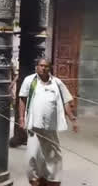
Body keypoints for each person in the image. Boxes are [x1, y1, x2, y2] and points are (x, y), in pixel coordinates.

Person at [18, 57, 79, 186]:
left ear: (50, 68)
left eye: (46, 66)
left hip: (51, 126)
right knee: (33, 155)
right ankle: (35, 179)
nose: (43, 68)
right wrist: (22, 118)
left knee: (53, 154)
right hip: (34, 125)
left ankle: (53, 179)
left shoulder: (57, 82)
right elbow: (22, 99)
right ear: (37, 67)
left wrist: (72, 119)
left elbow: (66, 102)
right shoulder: (30, 80)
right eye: (41, 65)